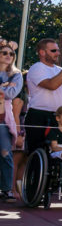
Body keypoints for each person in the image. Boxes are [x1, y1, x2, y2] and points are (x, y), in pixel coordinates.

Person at [25, 39, 62, 154]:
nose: (57, 53)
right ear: (42, 52)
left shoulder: (61, 71)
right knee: (36, 151)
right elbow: (52, 85)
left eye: (58, 50)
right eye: (53, 50)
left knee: (58, 150)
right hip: (38, 114)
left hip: (58, 115)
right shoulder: (36, 68)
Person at [0, 39, 23, 202]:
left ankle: (7, 189)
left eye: (12, 53)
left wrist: (4, 88)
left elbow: (11, 94)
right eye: (5, 53)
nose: (9, 55)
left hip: (3, 119)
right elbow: (6, 91)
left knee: (5, 153)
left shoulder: (16, 74)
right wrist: (4, 85)